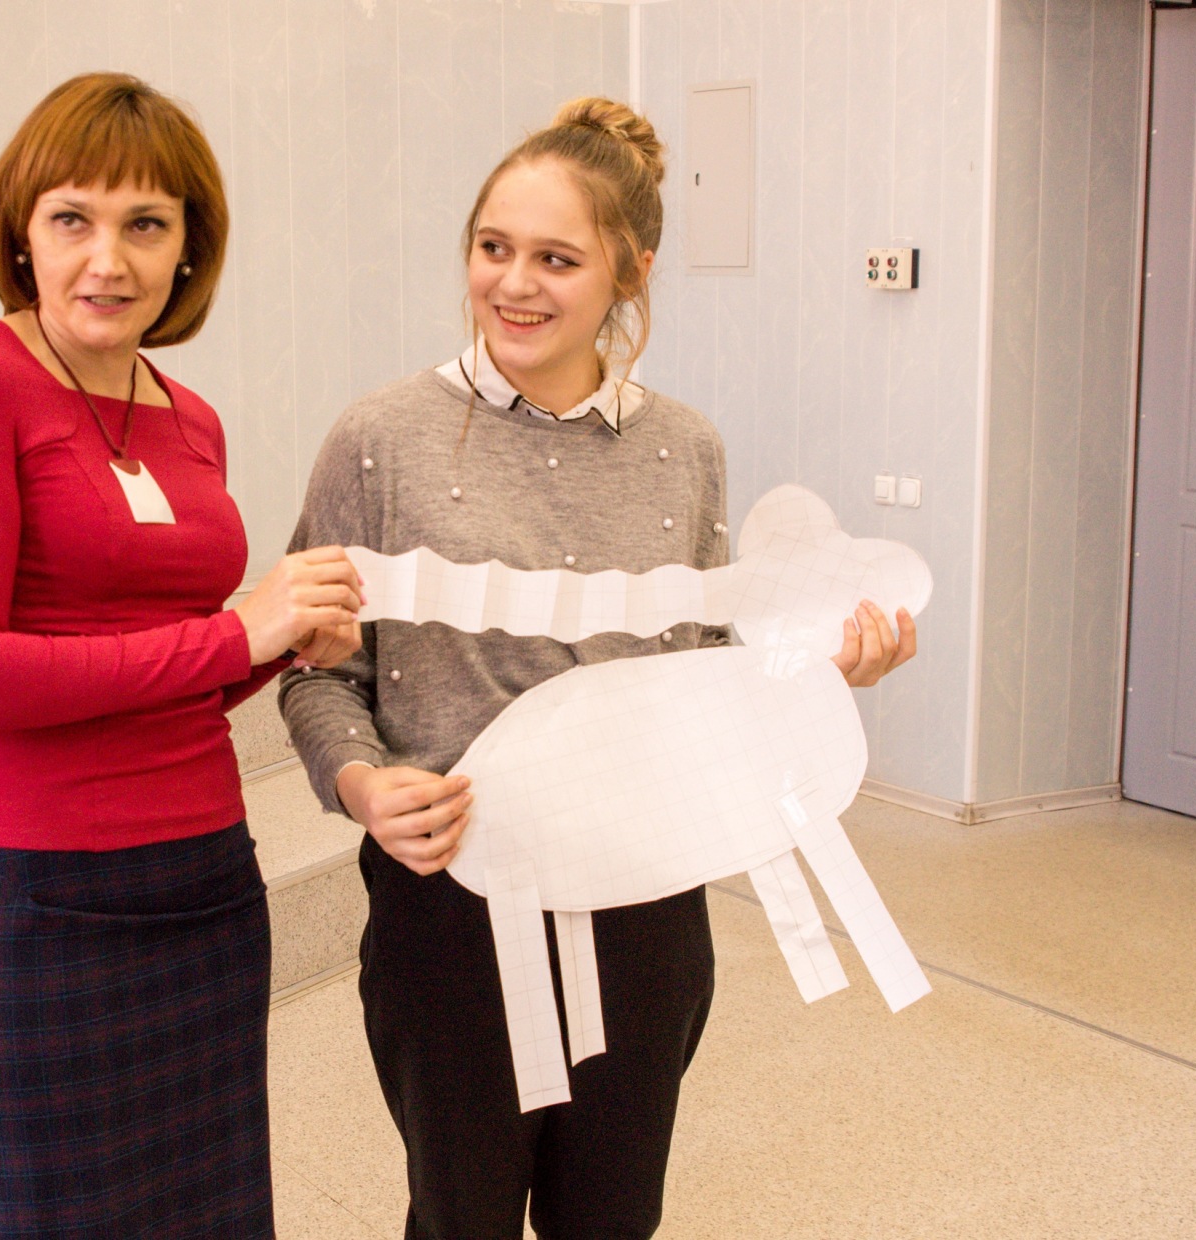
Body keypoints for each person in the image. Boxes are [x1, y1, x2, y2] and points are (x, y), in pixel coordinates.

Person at [278, 97, 915, 1240]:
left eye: (557, 259)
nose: (514, 284)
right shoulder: (380, 438)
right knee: (459, 1218)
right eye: (493, 248)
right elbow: (318, 670)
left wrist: (820, 663)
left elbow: (705, 669)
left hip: (645, 906)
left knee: (614, 1217)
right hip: (452, 906)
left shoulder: (685, 448)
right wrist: (363, 784)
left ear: (631, 273)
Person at [0, 73, 361, 1238]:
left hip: (202, 893)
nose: (109, 259)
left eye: (146, 223)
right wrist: (237, 630)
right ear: (22, 234)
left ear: (189, 248)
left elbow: (173, 668)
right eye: (72, 219)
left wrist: (282, 643)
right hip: (28, 910)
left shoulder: (188, 417)